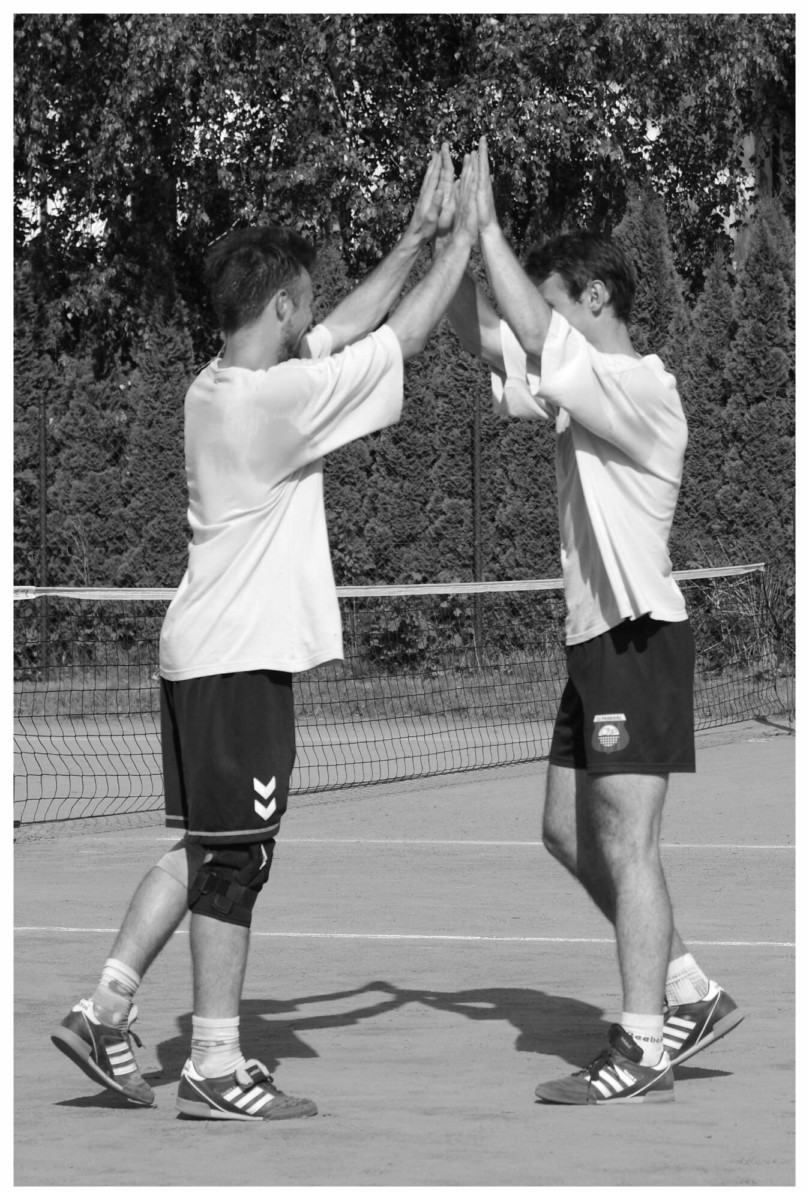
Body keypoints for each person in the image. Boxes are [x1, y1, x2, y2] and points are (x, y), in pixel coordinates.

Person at [52, 146, 480, 1121]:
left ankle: (104, 1008)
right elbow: (400, 338)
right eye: (304, 305)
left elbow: (342, 329)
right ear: (279, 308)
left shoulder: (220, 385)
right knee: (238, 860)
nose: (311, 319)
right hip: (240, 661)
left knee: (206, 848)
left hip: (202, 655)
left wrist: (414, 235)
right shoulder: (275, 403)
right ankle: (213, 1064)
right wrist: (461, 243)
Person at [436, 137, 743, 1105]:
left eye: (554, 304)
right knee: (564, 834)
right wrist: (445, 246)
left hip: (636, 638)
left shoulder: (639, 389)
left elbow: (526, 326)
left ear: (594, 298)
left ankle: (642, 1046)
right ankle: (687, 990)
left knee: (626, 844)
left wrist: (489, 228)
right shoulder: (578, 389)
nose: (540, 324)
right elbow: (487, 335)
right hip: (594, 641)